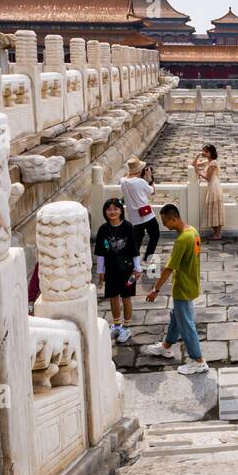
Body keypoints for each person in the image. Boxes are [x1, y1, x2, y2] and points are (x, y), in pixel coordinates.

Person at [142, 204, 208, 374]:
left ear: (174, 219)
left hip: (183, 287)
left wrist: (155, 289)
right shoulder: (192, 231)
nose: (164, 225)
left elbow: (169, 268)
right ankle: (166, 346)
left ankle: (198, 360)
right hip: (191, 282)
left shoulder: (182, 240)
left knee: (186, 324)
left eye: (165, 222)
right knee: (176, 317)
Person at [94, 197, 141, 343]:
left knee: (126, 297)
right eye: (109, 209)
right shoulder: (103, 229)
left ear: (121, 210)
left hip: (127, 270)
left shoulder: (128, 227)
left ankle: (126, 327)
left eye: (115, 209)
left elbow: (134, 249)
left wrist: (137, 268)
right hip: (111, 269)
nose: (112, 212)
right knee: (113, 296)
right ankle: (116, 325)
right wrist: (100, 271)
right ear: (105, 211)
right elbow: (101, 252)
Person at [120, 157, 159, 260]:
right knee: (155, 235)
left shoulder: (123, 181)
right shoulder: (140, 182)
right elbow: (152, 191)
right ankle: (147, 259)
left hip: (134, 217)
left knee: (138, 238)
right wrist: (149, 177)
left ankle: (134, 262)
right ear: (139, 169)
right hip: (147, 215)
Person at [192, 144, 225, 240]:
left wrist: (199, 172)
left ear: (211, 153)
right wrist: (198, 156)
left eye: (206, 151)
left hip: (214, 187)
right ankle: (216, 234)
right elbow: (193, 164)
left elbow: (208, 177)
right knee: (213, 209)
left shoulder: (213, 163)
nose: (204, 153)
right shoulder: (208, 162)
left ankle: (218, 234)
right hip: (211, 187)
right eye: (203, 151)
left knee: (216, 210)